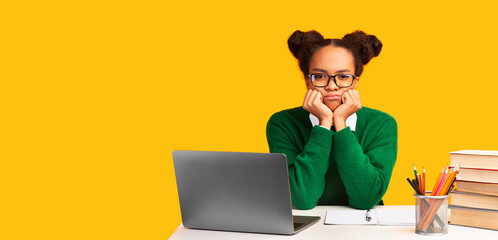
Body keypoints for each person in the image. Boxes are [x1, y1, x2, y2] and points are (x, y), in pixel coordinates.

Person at [266, 30, 397, 210]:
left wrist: (341, 125)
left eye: (343, 77)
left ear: (355, 82)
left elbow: (366, 198)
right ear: (307, 81)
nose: (332, 86)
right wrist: (324, 125)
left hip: (364, 228)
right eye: (320, 76)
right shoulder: (282, 123)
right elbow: (302, 199)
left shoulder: (382, 124)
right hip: (307, 227)